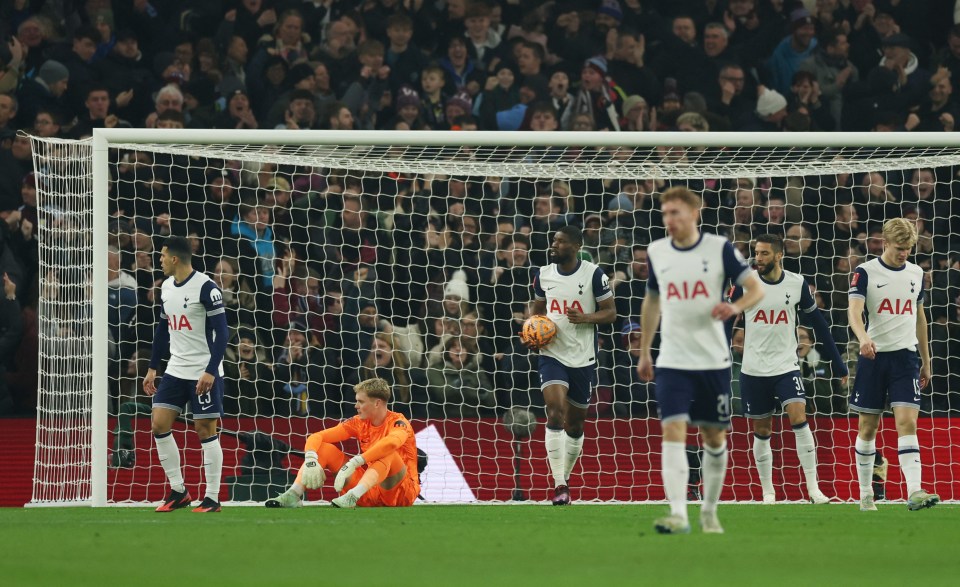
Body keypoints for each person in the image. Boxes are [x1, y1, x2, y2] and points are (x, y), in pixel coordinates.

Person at [638, 186, 765, 534]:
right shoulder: (657, 251)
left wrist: (735, 307)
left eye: (676, 212)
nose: (670, 220)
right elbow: (652, 302)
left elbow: (756, 288)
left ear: (695, 213)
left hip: (712, 360)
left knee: (713, 438)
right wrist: (647, 350)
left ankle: (709, 511)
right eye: (665, 213)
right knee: (672, 429)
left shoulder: (719, 248)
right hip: (673, 360)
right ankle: (678, 513)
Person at [729, 234, 848, 504]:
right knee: (762, 429)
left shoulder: (796, 284)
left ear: (779, 255)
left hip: (786, 366)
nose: (757, 259)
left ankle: (814, 489)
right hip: (753, 369)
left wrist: (838, 362)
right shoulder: (745, 283)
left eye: (763, 254)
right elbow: (728, 318)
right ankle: (768, 492)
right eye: (756, 253)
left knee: (798, 417)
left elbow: (818, 323)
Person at [848, 218, 938, 512]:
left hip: (905, 358)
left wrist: (926, 361)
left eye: (909, 249)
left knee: (907, 422)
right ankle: (865, 494)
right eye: (900, 248)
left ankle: (914, 491)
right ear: (884, 243)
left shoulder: (916, 272)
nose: (904, 254)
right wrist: (862, 337)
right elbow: (854, 311)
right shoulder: (865, 272)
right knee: (868, 428)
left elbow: (920, 318)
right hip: (874, 358)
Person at [528, 225, 616, 505]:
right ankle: (559, 484)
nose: (554, 245)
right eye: (553, 240)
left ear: (576, 246)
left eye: (561, 242)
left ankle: (564, 478)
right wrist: (533, 332)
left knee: (575, 426)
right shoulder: (543, 275)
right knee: (554, 412)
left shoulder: (594, 275)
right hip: (552, 353)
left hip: (583, 358)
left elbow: (611, 313)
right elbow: (537, 311)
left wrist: (586, 317)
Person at [143, 236, 229, 513]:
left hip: (204, 371)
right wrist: (153, 367)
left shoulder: (206, 287)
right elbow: (161, 330)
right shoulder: (167, 287)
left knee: (205, 429)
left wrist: (210, 370)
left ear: (175, 259)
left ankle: (213, 497)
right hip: (175, 369)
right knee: (159, 423)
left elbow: (223, 333)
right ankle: (179, 491)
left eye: (163, 255)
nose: (160, 260)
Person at [265, 377, 420, 509]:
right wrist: (311, 459)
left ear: (377, 403)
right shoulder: (358, 422)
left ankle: (353, 496)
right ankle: (293, 494)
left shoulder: (399, 422)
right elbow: (317, 436)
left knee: (388, 453)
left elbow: (391, 444)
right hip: (370, 490)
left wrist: (355, 462)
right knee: (323, 449)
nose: (356, 406)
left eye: (360, 401)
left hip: (401, 493)